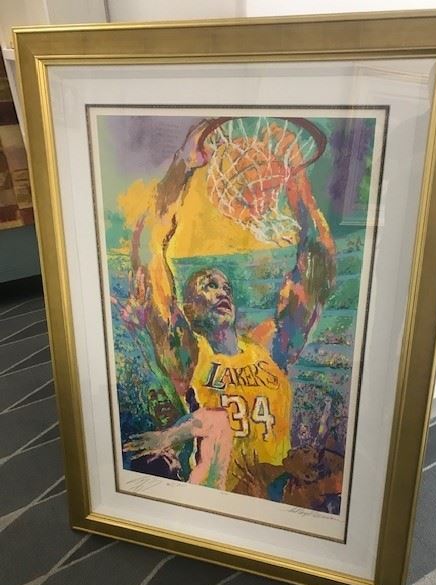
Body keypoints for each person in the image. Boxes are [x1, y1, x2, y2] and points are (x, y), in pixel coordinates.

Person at [122, 117, 336, 493]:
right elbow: (147, 258)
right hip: (219, 491)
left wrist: (296, 181)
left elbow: (316, 273)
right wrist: (182, 166)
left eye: (225, 286)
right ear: (188, 309)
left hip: (275, 493)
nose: (221, 291)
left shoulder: (270, 348)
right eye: (208, 285)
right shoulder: (189, 356)